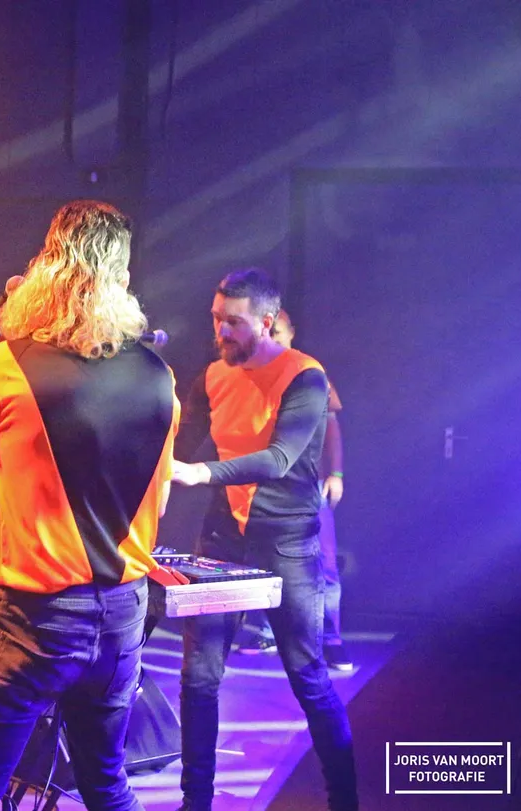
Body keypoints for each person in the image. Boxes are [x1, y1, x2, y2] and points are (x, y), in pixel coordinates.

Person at [0, 200, 182, 811]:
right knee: (107, 786)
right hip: (122, 615)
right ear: (123, 280)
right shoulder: (160, 377)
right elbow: (158, 493)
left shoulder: (1, 368)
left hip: (32, 620)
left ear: (45, 270)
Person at [170, 269, 357, 811]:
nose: (221, 331)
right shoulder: (213, 376)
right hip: (222, 537)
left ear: (267, 321)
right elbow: (188, 444)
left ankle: (345, 801)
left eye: (234, 322)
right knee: (199, 677)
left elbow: (279, 459)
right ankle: (195, 804)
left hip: (286, 543)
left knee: (308, 677)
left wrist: (201, 473)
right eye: (216, 319)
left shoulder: (305, 375)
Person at [239, 308, 352, 670]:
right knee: (262, 561)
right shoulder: (252, 374)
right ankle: (267, 631)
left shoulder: (310, 373)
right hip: (267, 487)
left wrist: (335, 473)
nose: (272, 340)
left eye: (278, 333)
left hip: (308, 485)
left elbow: (331, 427)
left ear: (290, 333)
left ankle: (330, 639)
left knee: (323, 563)